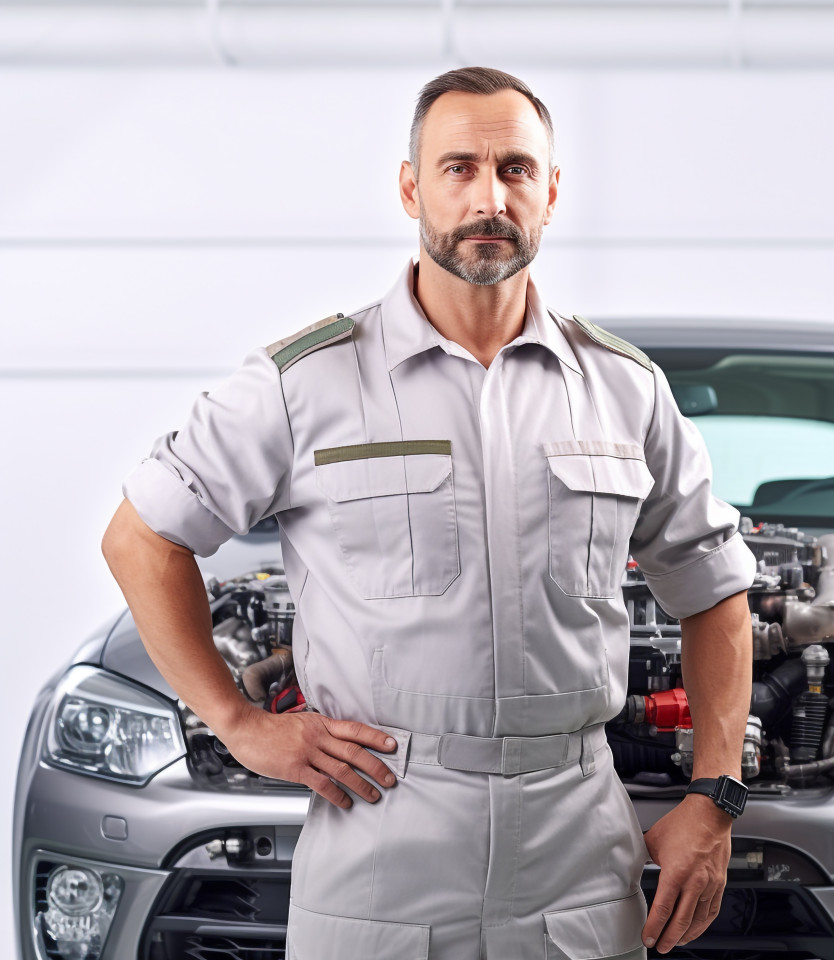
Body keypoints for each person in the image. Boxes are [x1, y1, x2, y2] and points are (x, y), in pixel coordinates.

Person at [102, 66, 756, 960]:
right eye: (459, 168)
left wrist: (713, 798)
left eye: (517, 170)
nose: (489, 197)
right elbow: (142, 537)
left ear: (552, 192)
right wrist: (241, 723)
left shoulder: (622, 388)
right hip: (381, 836)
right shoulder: (308, 383)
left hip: (575, 844)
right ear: (411, 186)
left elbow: (714, 589)